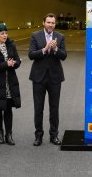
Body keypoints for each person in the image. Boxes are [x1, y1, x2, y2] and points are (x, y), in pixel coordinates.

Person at [29, 13, 67, 146]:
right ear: (43, 22)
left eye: (53, 23)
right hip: (38, 77)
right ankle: (38, 135)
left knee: (54, 108)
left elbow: (64, 56)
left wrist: (56, 48)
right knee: (38, 108)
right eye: (48, 22)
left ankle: (54, 135)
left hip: (55, 78)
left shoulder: (60, 37)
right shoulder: (35, 35)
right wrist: (44, 49)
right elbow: (31, 55)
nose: (51, 25)